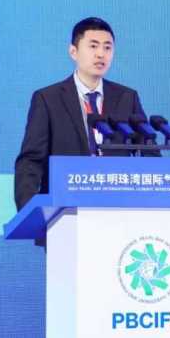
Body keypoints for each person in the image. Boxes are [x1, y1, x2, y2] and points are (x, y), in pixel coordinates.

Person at [14, 17, 157, 211]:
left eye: (107, 47)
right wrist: (29, 210)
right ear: (73, 52)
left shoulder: (127, 97)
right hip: (64, 209)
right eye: (93, 46)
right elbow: (31, 161)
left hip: (117, 209)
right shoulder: (48, 99)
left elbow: (149, 153)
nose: (101, 54)